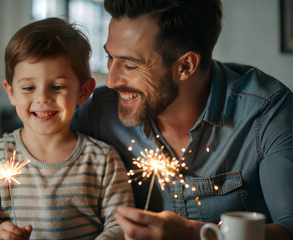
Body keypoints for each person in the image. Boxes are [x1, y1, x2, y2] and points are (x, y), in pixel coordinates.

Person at [72, 0, 293, 239]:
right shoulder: (100, 111)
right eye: (109, 57)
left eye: (130, 65)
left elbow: (290, 227)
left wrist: (195, 234)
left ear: (186, 66)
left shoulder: (267, 112)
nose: (113, 80)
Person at [0, 17, 134, 240]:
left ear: (84, 92)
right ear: (10, 92)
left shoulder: (103, 160)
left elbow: (122, 225)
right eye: (29, 87)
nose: (42, 98)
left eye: (57, 86)